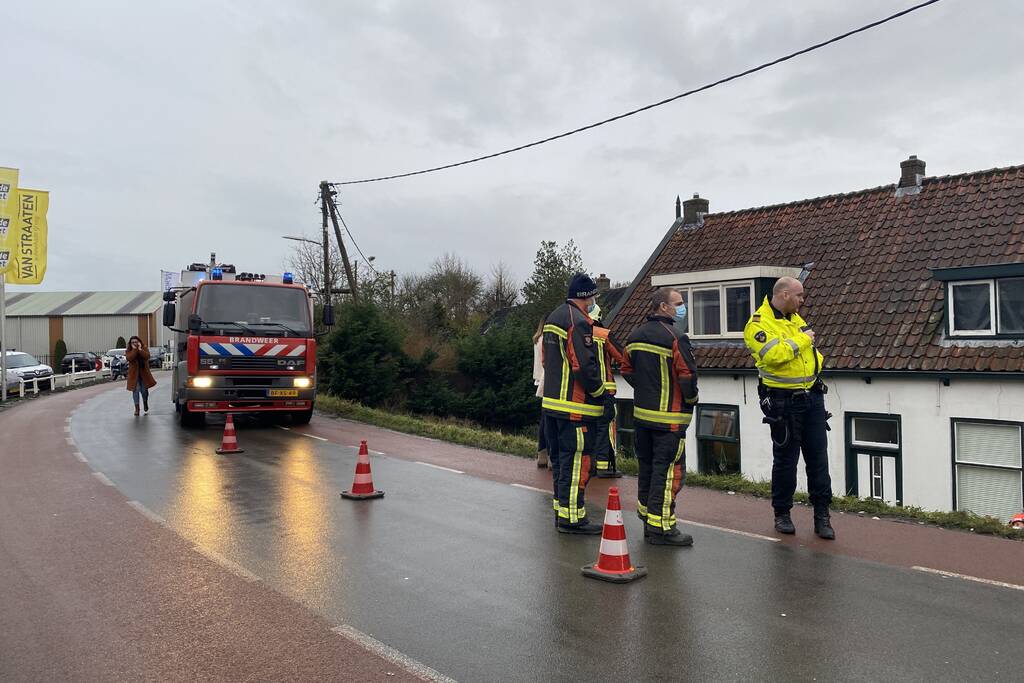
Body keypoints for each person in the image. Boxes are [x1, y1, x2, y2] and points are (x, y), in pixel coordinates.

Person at [743, 276, 835, 540]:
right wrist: (804, 341)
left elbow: (809, 356)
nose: (802, 301)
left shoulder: (796, 320)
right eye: (799, 296)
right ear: (784, 295)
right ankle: (782, 513)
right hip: (783, 402)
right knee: (786, 460)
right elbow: (774, 356)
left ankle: (822, 516)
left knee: (818, 459)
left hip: (812, 398)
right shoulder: (758, 324)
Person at [621, 287, 698, 547]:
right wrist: (692, 400)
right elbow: (687, 376)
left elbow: (626, 368)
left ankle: (648, 521)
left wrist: (646, 388)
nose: (682, 307)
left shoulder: (634, 336)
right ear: (663, 307)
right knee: (668, 474)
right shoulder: (677, 337)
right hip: (670, 419)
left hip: (642, 417)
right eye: (678, 303)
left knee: (647, 470)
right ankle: (662, 528)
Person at [541, 273, 606, 535]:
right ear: (586, 296)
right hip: (575, 408)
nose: (593, 301)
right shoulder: (578, 322)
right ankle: (573, 519)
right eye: (592, 296)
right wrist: (601, 392)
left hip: (553, 406)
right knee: (577, 463)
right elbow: (584, 367)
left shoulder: (553, 318)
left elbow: (546, 362)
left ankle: (562, 512)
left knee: (561, 463)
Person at [590, 305, 625, 478]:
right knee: (604, 428)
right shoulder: (603, 334)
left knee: (587, 428)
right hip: (605, 391)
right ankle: (602, 467)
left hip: (584, 391)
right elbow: (622, 357)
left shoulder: (574, 332)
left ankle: (589, 465)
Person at [532, 317, 549, 469]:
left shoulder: (537, 339)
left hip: (539, 380)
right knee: (548, 419)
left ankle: (542, 453)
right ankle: (547, 453)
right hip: (547, 381)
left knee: (544, 418)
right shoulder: (546, 339)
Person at [126, 335, 157, 416]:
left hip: (144, 374)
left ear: (139, 342)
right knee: (135, 391)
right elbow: (130, 358)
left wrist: (139, 349)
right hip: (134, 375)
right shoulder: (129, 350)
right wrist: (134, 350)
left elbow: (147, 356)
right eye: (133, 342)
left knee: (144, 391)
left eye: (136, 342)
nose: (134, 343)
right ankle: (137, 409)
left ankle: (145, 402)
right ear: (130, 343)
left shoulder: (143, 348)